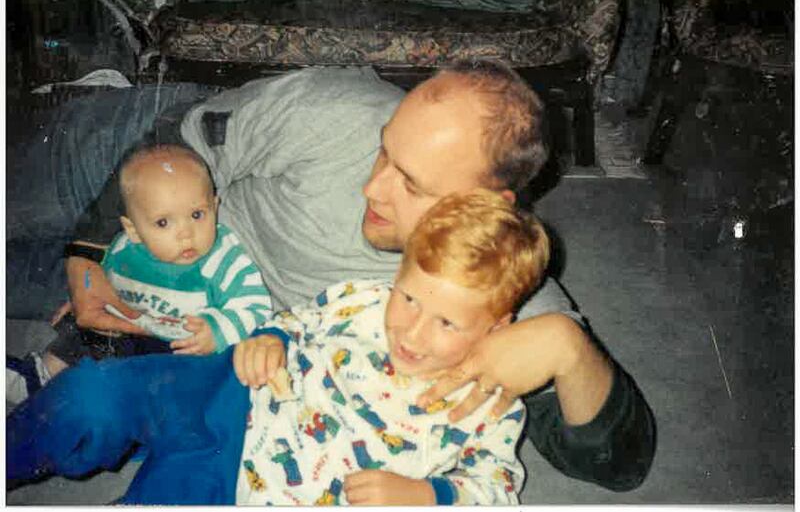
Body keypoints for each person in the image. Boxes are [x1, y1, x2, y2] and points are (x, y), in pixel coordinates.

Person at [9, 60, 654, 493]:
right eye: (385, 149)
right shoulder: (327, 106)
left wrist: (568, 350)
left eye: (411, 183)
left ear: (489, 209)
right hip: (172, 189)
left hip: (204, 324)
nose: (371, 185)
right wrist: (87, 254)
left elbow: (621, 463)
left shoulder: (498, 284)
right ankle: (92, 86)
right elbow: (177, 140)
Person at [7, 189, 550, 505]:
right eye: (408, 297)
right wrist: (271, 337)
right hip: (226, 391)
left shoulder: (493, 402)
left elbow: (497, 486)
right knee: (89, 396)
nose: (411, 331)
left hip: (241, 484)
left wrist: (431, 496)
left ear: (498, 327)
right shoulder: (364, 299)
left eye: (447, 324)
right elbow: (299, 316)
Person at [7, 144, 273, 404]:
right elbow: (101, 282)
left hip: (180, 348)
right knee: (85, 334)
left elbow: (256, 306)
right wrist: (81, 296)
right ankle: (41, 374)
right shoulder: (124, 249)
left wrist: (218, 330)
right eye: (163, 222)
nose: (185, 233)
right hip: (129, 326)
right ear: (133, 230)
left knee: (175, 385)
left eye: (196, 214)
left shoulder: (224, 258)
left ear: (215, 207)